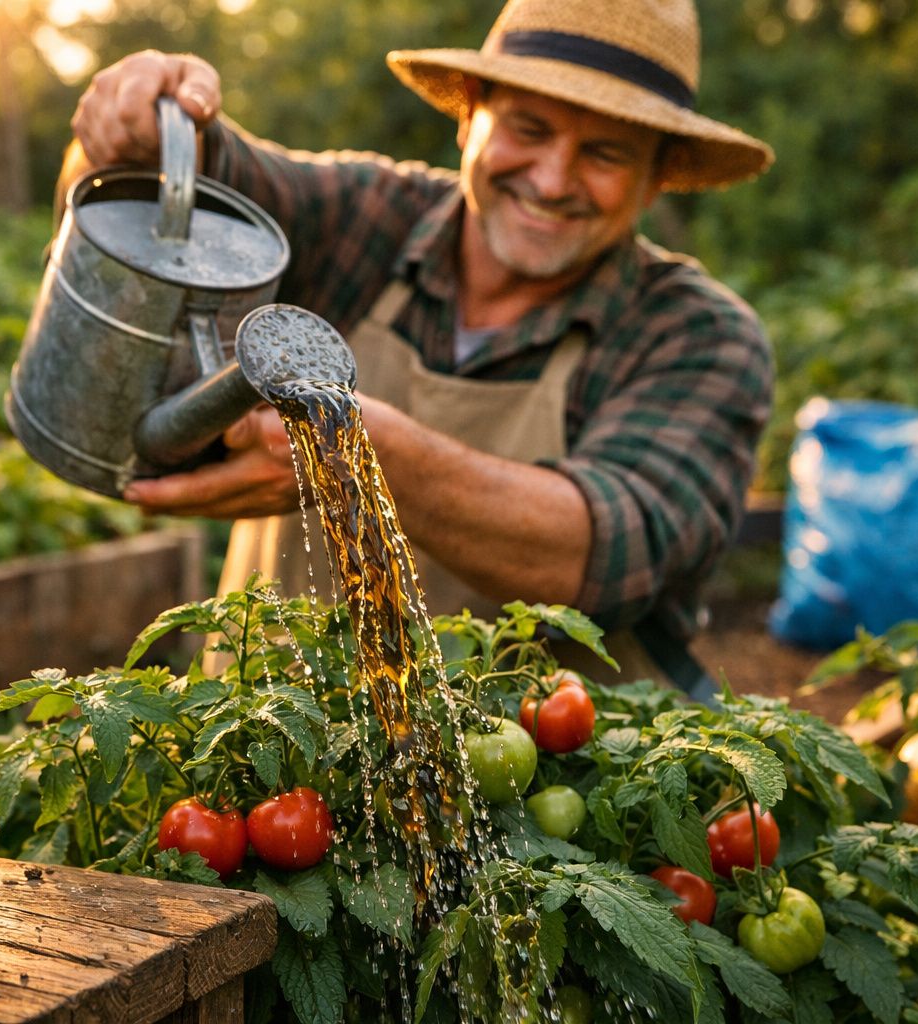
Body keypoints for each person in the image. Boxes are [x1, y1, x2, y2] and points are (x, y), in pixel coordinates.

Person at [61, 0, 775, 693]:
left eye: (605, 154)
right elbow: (182, 189)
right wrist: (134, 129)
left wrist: (352, 445)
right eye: (528, 129)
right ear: (469, 113)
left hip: (549, 800)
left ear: (658, 176)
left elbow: (605, 556)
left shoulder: (695, 333)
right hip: (274, 769)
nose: (554, 180)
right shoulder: (367, 221)